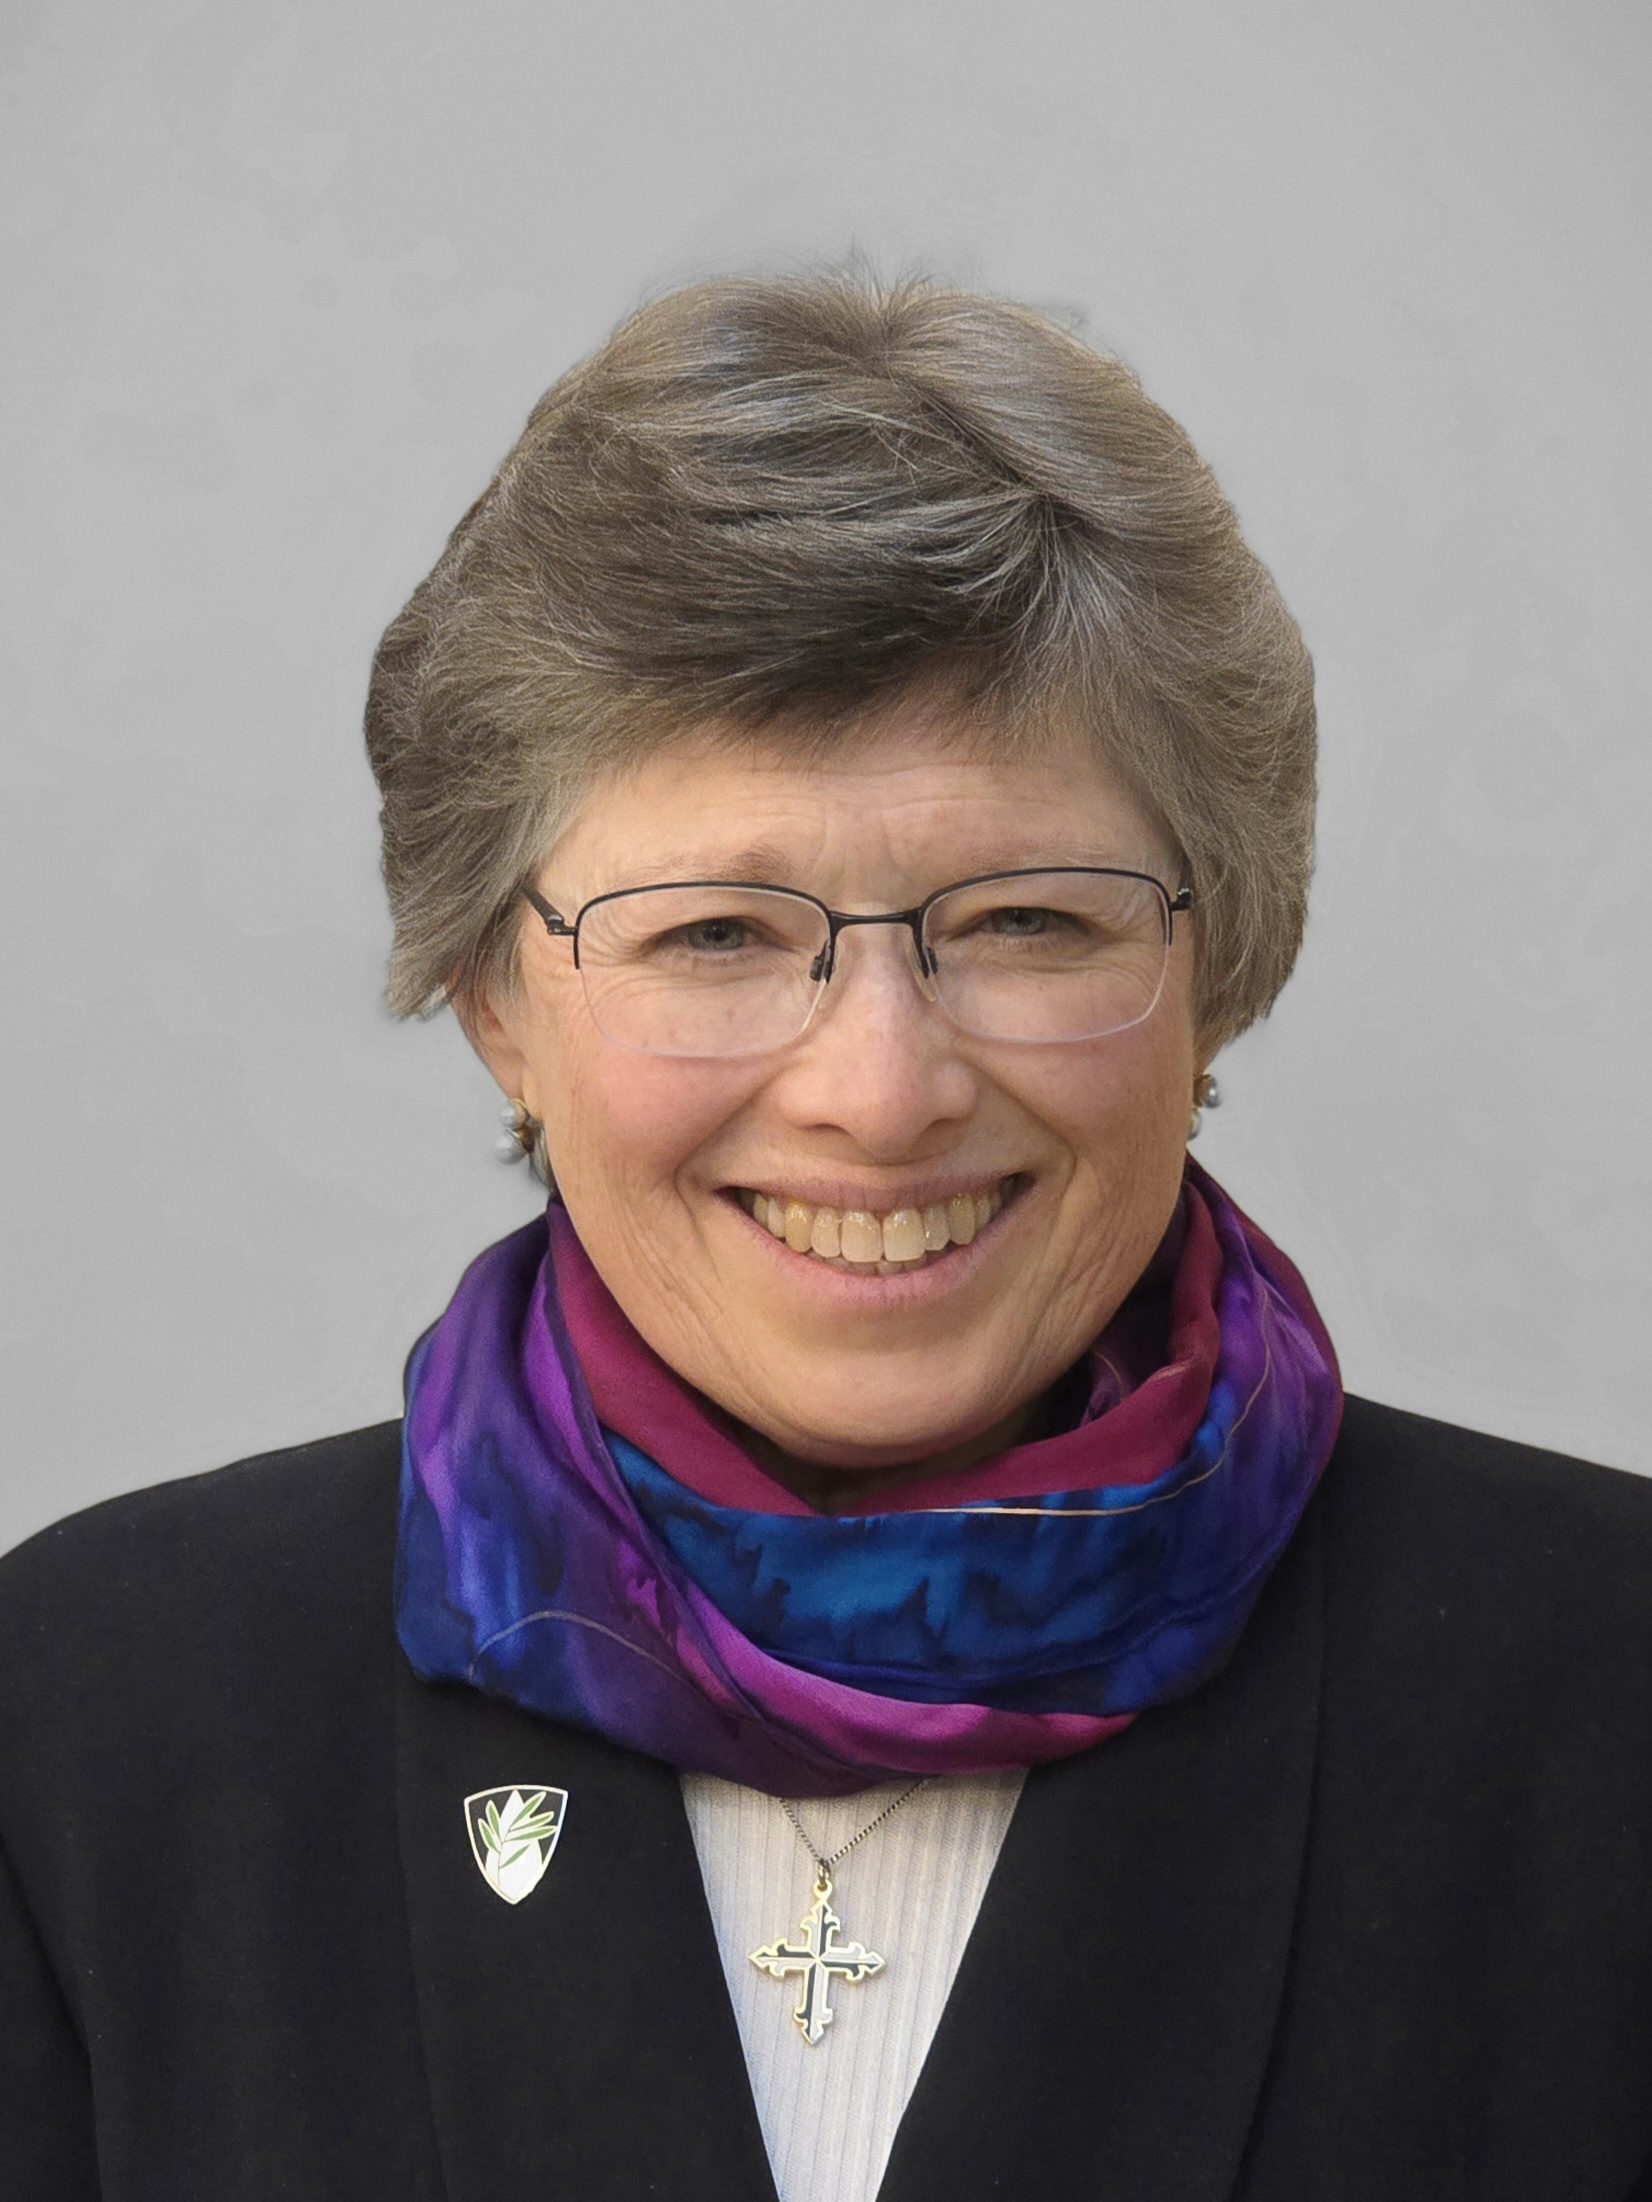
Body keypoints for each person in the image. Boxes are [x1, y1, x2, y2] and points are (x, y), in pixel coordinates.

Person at [3, 267, 1650, 2202]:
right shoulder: (92, 1725)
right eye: (716, 931)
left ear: (1218, 970)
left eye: (1028, 919)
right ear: (495, 1002)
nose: (880, 1090)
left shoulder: (1606, 1700)